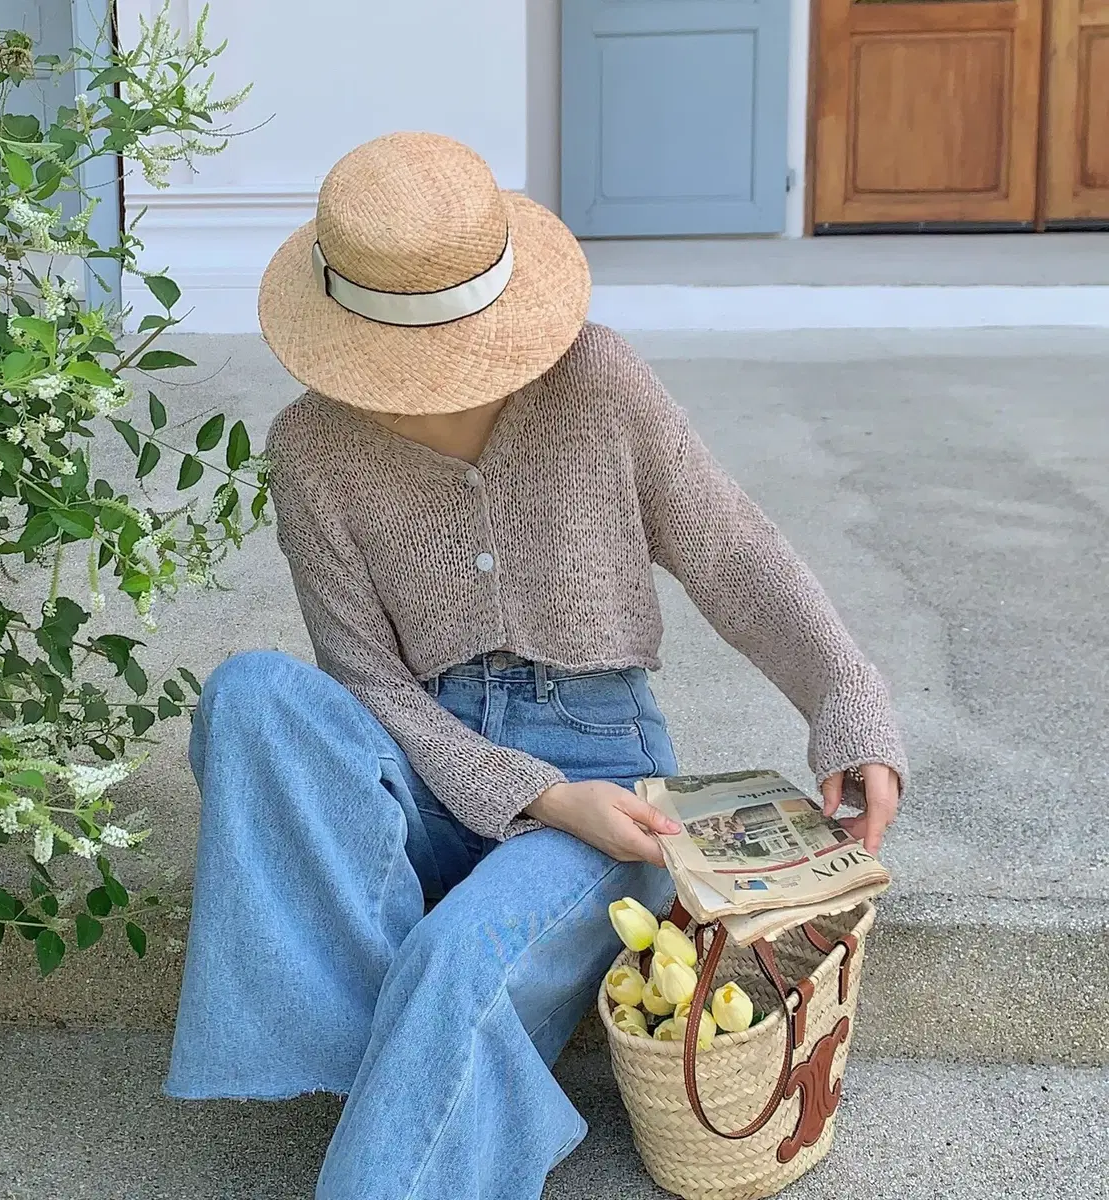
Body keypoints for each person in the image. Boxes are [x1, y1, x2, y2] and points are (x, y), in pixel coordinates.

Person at [163, 131, 907, 1200]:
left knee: (454, 960)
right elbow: (366, 684)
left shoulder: (597, 380)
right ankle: (429, 1034)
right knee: (249, 696)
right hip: (422, 767)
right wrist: (535, 796)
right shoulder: (312, 446)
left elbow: (735, 552)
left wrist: (850, 700)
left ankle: (431, 1014)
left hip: (611, 782)